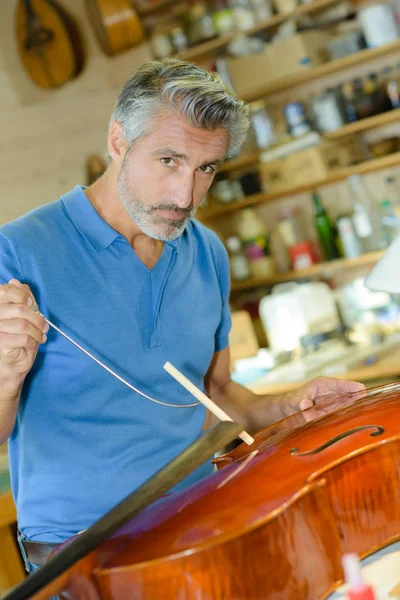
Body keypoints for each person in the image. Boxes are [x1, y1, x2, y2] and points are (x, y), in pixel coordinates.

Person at [0, 59, 364, 575]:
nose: (185, 196)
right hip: (83, 554)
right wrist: (6, 374)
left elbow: (217, 396)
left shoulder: (206, 251)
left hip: (202, 520)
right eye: (169, 160)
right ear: (119, 141)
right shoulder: (16, 252)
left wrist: (289, 406)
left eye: (206, 169)